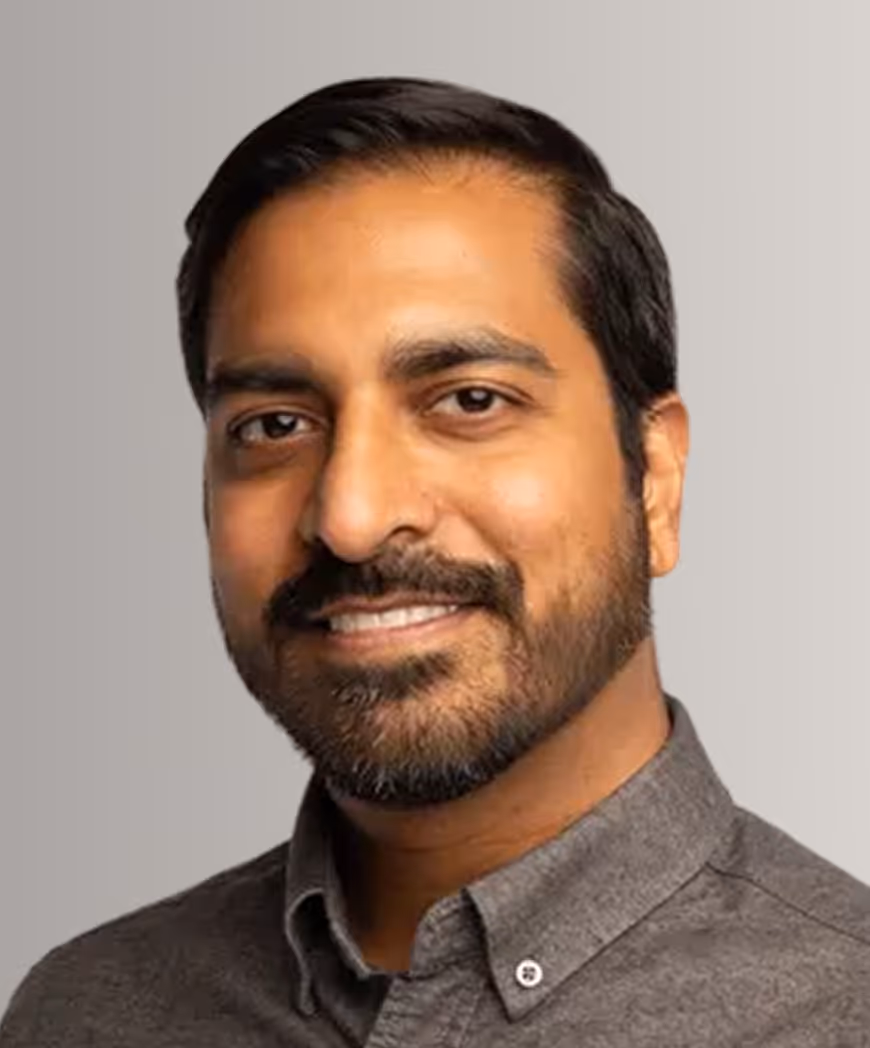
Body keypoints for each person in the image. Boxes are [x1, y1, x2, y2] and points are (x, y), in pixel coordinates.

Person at [2, 76, 868, 1047]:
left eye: (469, 401)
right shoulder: (79, 1015)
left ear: (655, 477)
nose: (354, 517)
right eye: (276, 424)